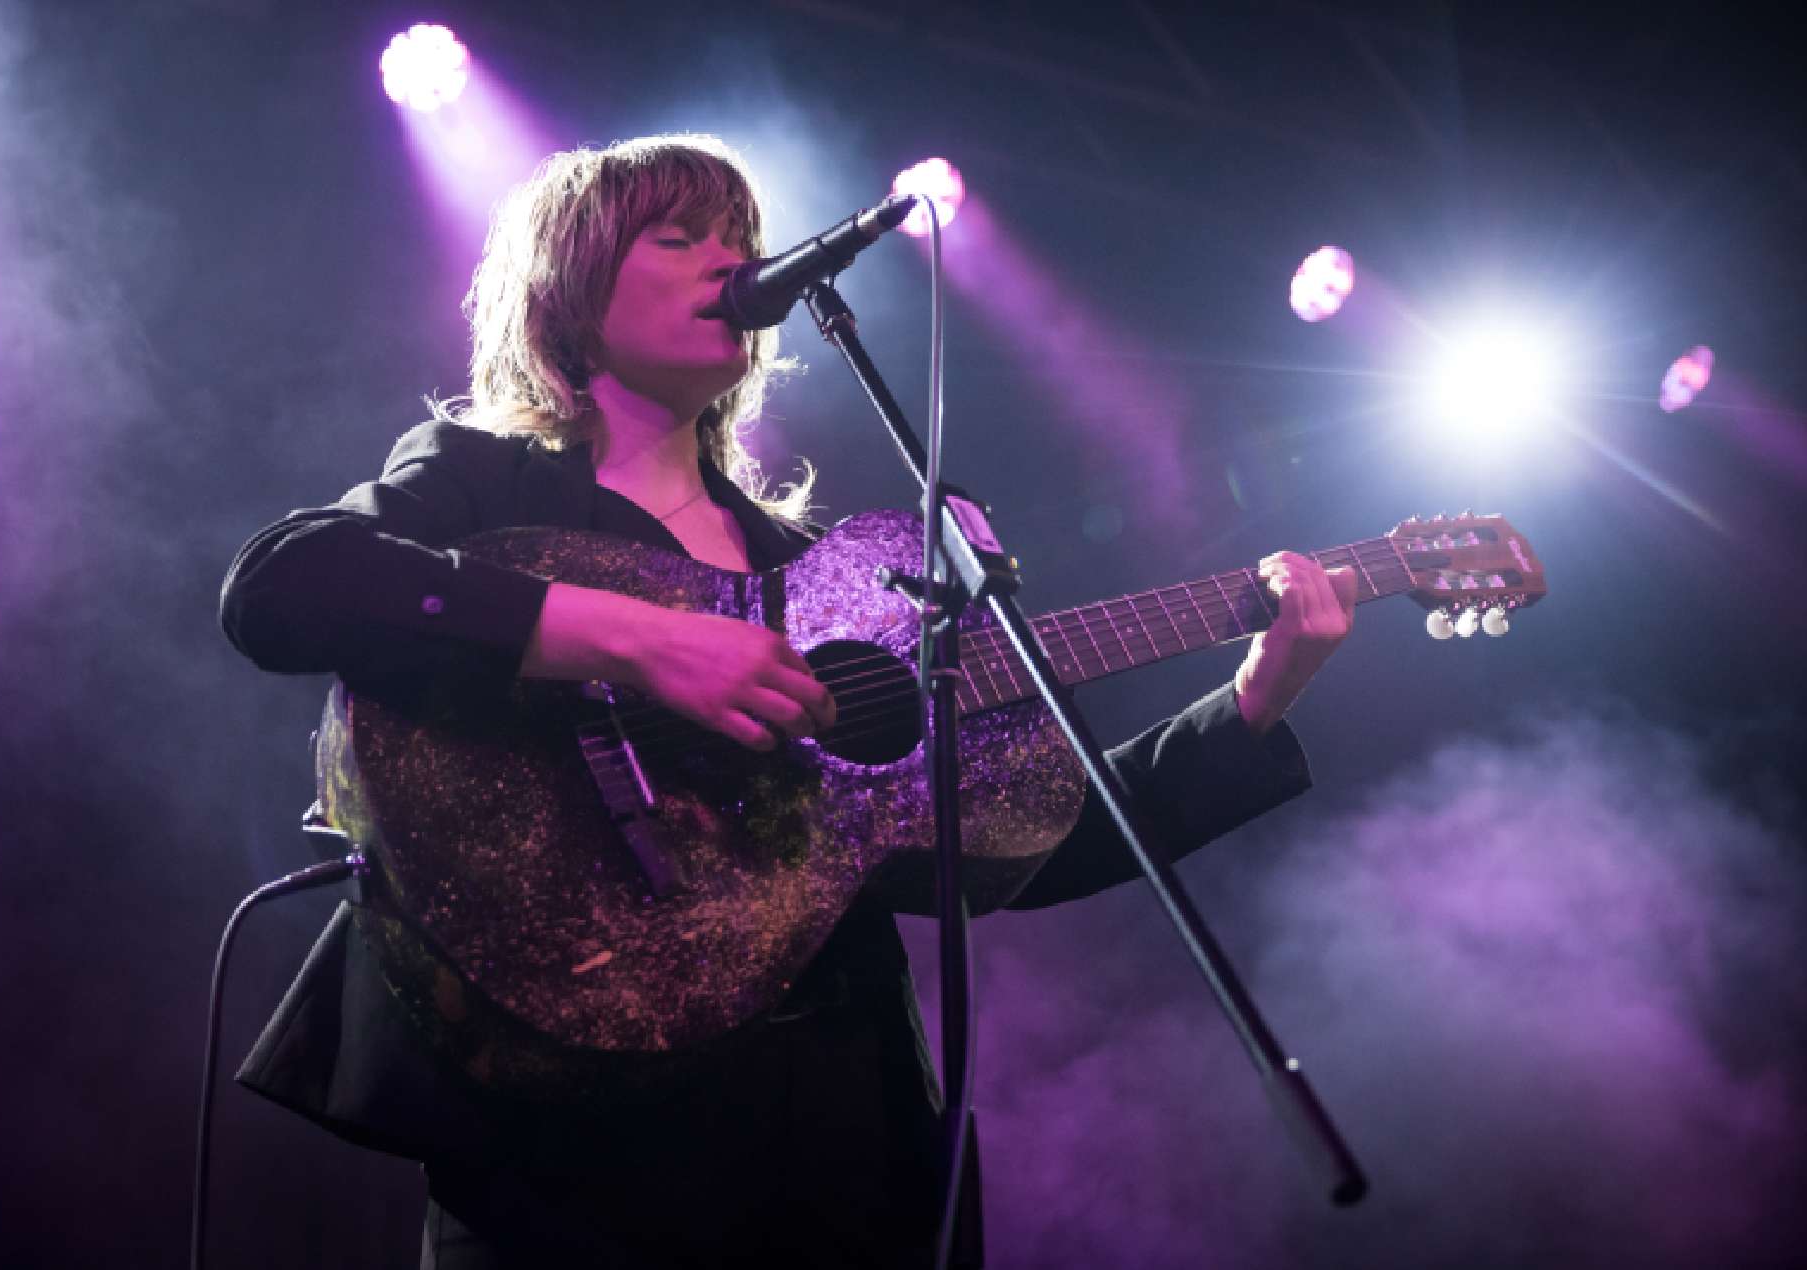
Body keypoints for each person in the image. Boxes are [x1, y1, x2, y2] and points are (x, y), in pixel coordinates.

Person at [219, 133, 1356, 1269]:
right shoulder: (480, 480)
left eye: (739, 239)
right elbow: (283, 586)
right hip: (560, 1162)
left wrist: (1253, 700)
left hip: (841, 1142)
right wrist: (640, 639)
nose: (730, 261)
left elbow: (1021, 844)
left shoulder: (811, 573)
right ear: (569, 284)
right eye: (680, 237)